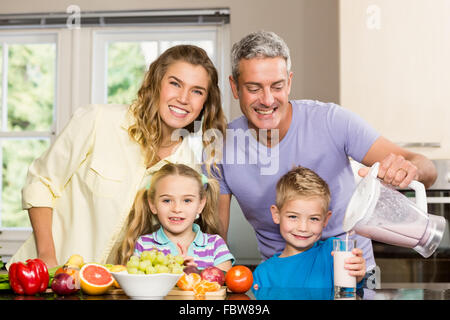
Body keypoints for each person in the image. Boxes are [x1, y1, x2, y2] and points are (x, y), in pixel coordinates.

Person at [214, 31, 437, 282]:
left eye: (277, 86)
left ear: (289, 82)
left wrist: (408, 170)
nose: (267, 100)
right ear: (234, 87)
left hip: (354, 276)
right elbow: (215, 238)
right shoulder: (221, 146)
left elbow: (425, 167)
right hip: (282, 280)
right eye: (254, 88)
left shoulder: (332, 122)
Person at [8, 45, 227, 269]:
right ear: (155, 82)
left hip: (111, 289)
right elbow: (42, 183)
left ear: (204, 104)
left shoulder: (187, 165)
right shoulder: (97, 120)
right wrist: (47, 258)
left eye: (197, 91)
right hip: (43, 275)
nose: (184, 98)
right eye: (175, 83)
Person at [251, 166, 365, 294]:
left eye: (314, 219)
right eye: (293, 217)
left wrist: (357, 277)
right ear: (276, 215)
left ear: (325, 220)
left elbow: (350, 290)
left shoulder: (334, 253)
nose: (303, 228)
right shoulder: (262, 274)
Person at [117, 163, 234, 271]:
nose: (177, 209)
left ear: (200, 204)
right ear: (153, 204)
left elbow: (225, 285)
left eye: (187, 200)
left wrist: (195, 274)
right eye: (167, 200)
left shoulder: (215, 245)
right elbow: (139, 283)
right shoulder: (144, 244)